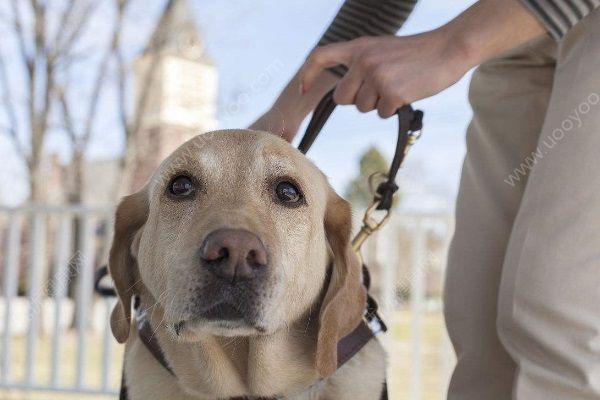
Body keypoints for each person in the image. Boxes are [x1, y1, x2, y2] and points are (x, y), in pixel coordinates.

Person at [250, 0, 600, 399]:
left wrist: (451, 46)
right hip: (512, 36)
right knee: (478, 323)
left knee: (559, 317)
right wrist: (280, 119)